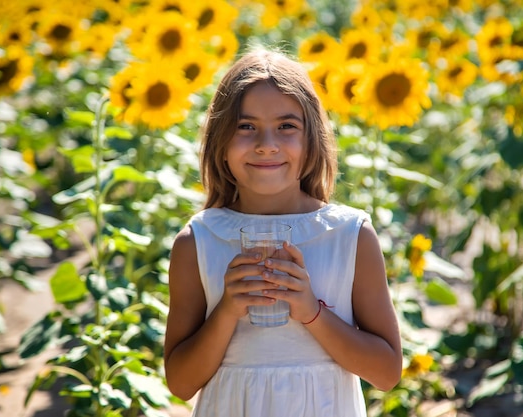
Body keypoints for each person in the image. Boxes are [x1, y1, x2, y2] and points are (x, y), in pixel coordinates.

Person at [164, 47, 402, 417]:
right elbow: (180, 383)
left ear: (313, 141)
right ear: (220, 141)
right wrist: (227, 310)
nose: (266, 145)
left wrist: (311, 312)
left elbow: (386, 373)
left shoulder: (350, 236)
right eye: (246, 127)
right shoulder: (198, 241)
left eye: (286, 126)